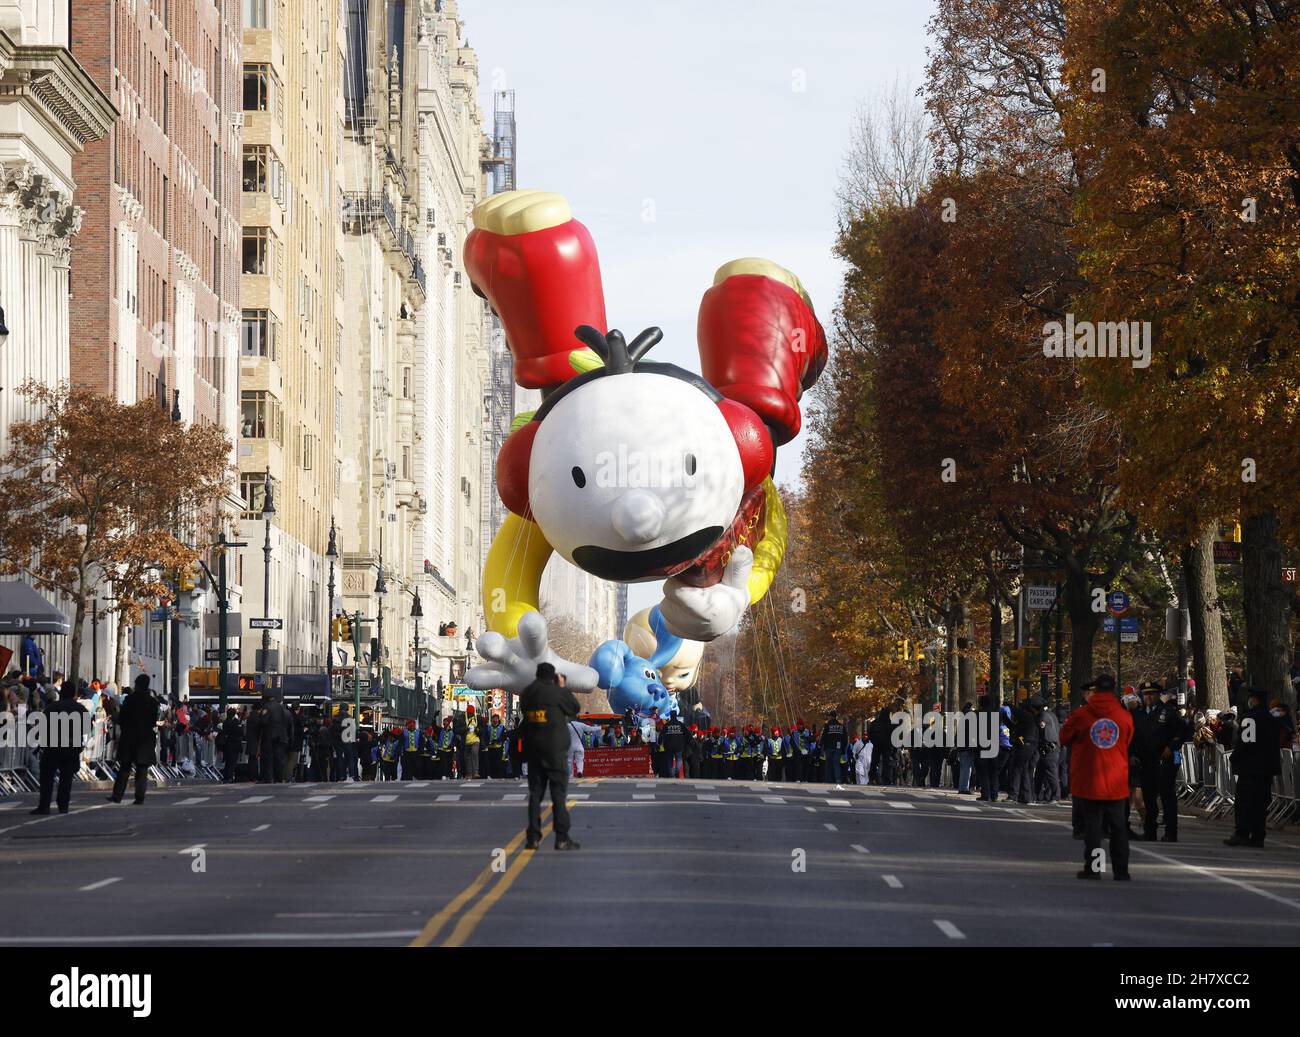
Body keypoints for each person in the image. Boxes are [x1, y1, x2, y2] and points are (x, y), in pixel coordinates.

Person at [1060, 674, 1134, 880]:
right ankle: (1121, 870)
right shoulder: (1123, 716)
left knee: (1094, 827)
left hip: (1090, 779)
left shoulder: (1081, 715)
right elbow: (1127, 740)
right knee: (1118, 827)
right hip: (1116, 779)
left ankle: (1094, 867)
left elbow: (1064, 737)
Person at [520, 663, 580, 851]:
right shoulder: (557, 692)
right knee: (558, 795)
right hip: (555, 752)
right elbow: (574, 708)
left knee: (535, 794)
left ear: (537, 675)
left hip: (534, 750)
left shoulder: (528, 692)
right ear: (553, 676)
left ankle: (533, 837)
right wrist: (562, 687)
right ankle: (561, 837)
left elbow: (524, 711)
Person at [1225, 687, 1281, 848]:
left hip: (1250, 768)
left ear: (1254, 700)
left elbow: (1244, 742)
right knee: (1260, 803)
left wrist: (1235, 758)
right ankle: (1258, 836)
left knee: (1244, 801)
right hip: (1266, 769)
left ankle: (1241, 833)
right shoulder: (1272, 719)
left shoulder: (1250, 718)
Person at [1132, 680, 1181, 842]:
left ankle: (1171, 832)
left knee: (1167, 797)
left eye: (1152, 693)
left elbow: (1181, 732)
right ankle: (1150, 831)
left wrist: (1171, 746)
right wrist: (1132, 754)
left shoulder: (1167, 712)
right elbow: (1132, 737)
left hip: (1163, 760)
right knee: (1149, 798)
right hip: (1145, 761)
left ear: (1158, 695)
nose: (1149, 697)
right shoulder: (1137, 713)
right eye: (1146, 694)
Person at [31, 680, 87, 815]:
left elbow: (42, 726)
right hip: (71, 747)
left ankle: (44, 805)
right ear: (74, 693)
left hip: (53, 746)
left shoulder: (52, 707)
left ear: (61, 692)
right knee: (66, 778)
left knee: (47, 777)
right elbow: (86, 728)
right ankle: (63, 805)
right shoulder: (80, 709)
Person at [108, 674, 160, 805]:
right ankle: (139, 796)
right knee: (142, 769)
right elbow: (153, 721)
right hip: (146, 738)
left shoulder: (130, 700)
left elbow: (122, 718)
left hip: (130, 737)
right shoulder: (152, 702)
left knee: (125, 768)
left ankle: (117, 795)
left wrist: (114, 716)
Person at [820, 711, 846, 786]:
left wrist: (821, 745)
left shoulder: (827, 725)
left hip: (829, 747)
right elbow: (844, 738)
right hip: (838, 748)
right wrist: (843, 749)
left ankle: (828, 780)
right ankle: (838, 779)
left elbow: (824, 736)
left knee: (828, 764)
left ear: (831, 716)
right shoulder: (841, 726)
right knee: (836, 764)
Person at [220, 708, 244, 783]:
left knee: (228, 761)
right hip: (235, 744)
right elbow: (241, 732)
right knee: (233, 761)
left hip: (227, 744)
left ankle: (226, 776)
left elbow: (224, 732)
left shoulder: (225, 722)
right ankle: (230, 776)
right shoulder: (236, 722)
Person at [660, 710, 686, 778]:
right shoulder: (680, 724)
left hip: (669, 746)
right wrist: (686, 743)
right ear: (676, 715)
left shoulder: (667, 725)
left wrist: (659, 743)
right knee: (679, 760)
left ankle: (671, 775)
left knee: (670, 761)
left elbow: (661, 735)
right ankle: (677, 772)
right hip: (679, 746)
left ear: (671, 716)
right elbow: (687, 734)